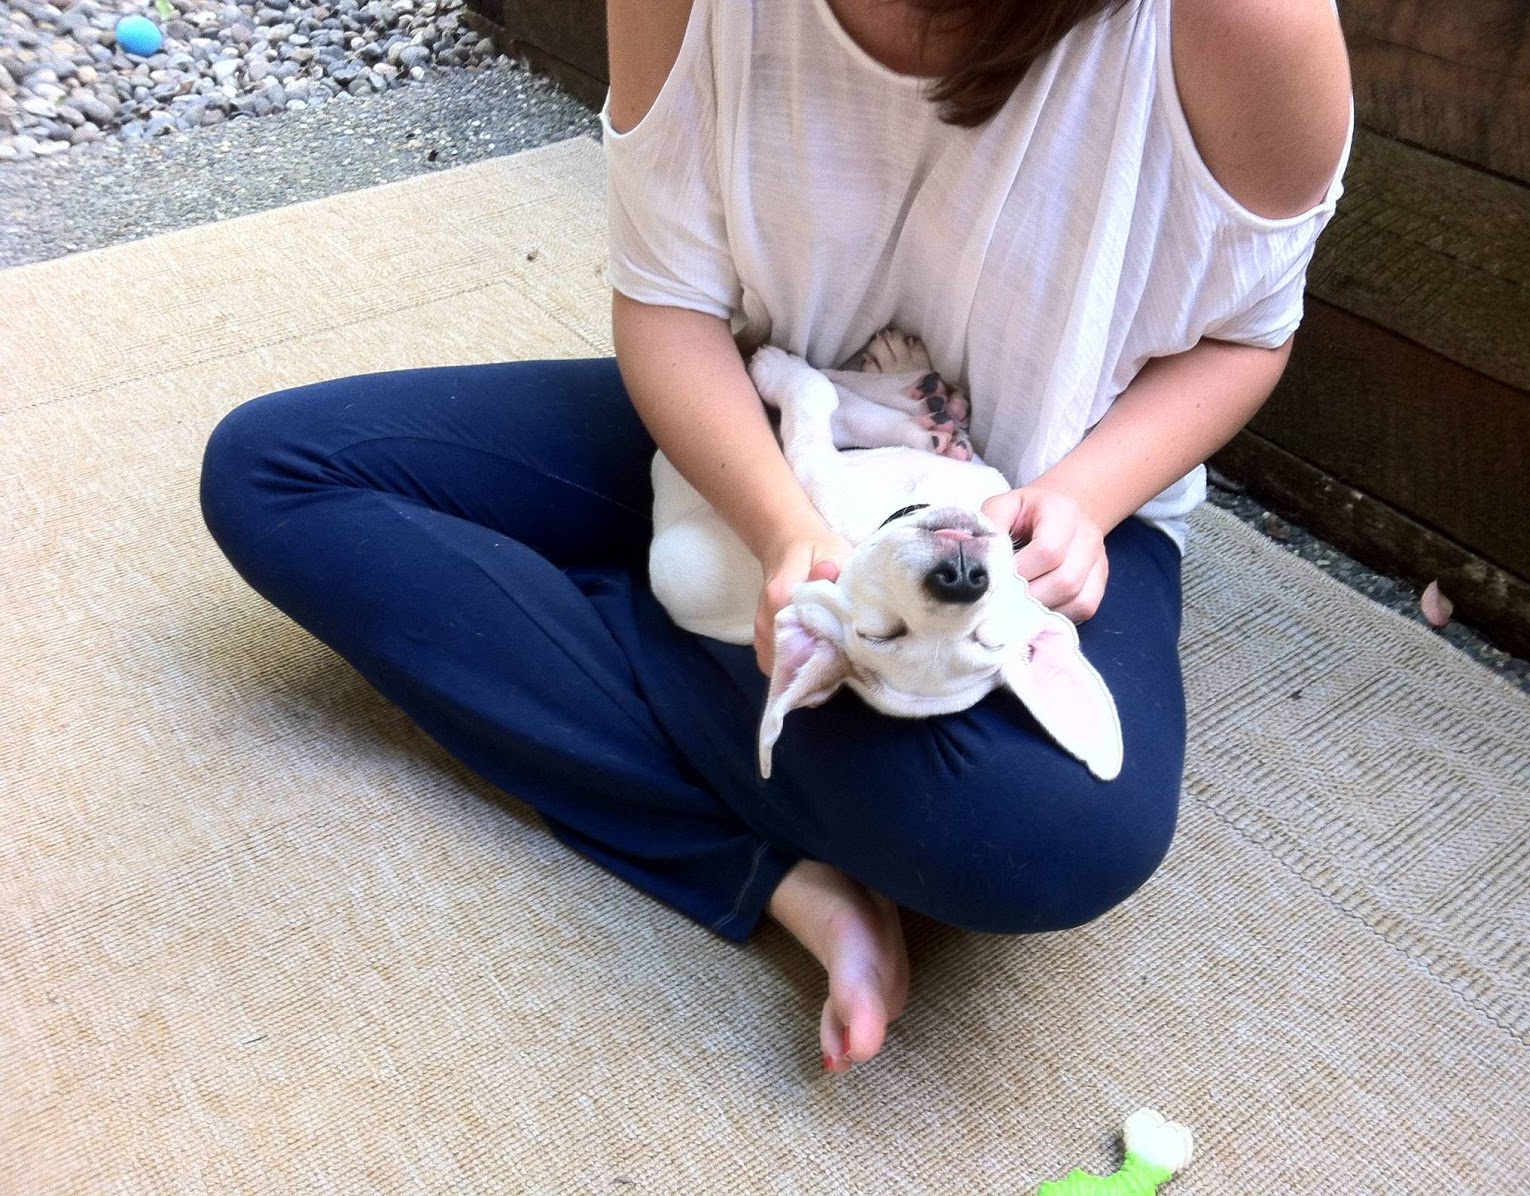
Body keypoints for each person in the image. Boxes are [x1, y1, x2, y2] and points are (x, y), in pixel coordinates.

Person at [200, 0, 1352, 1076]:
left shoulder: (1241, 24)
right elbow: (667, 304)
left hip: (1038, 509)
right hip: (759, 438)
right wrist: (777, 526)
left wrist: (1089, 495)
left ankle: (606, 624)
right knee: (279, 472)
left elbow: (1249, 334)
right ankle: (766, 856)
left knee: (1056, 839)